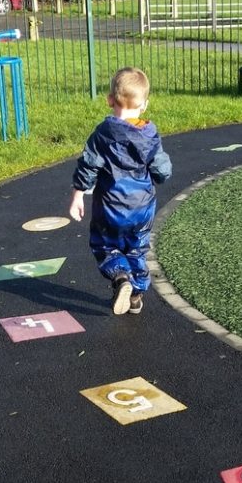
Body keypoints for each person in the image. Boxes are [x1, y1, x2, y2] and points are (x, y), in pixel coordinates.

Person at [69, 67, 172, 315]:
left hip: (110, 207)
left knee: (105, 246)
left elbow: (88, 165)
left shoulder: (103, 134)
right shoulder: (149, 135)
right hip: (142, 207)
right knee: (137, 248)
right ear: (144, 105)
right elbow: (162, 170)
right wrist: (158, 174)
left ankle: (120, 278)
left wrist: (77, 194)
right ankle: (136, 295)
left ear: (110, 100)